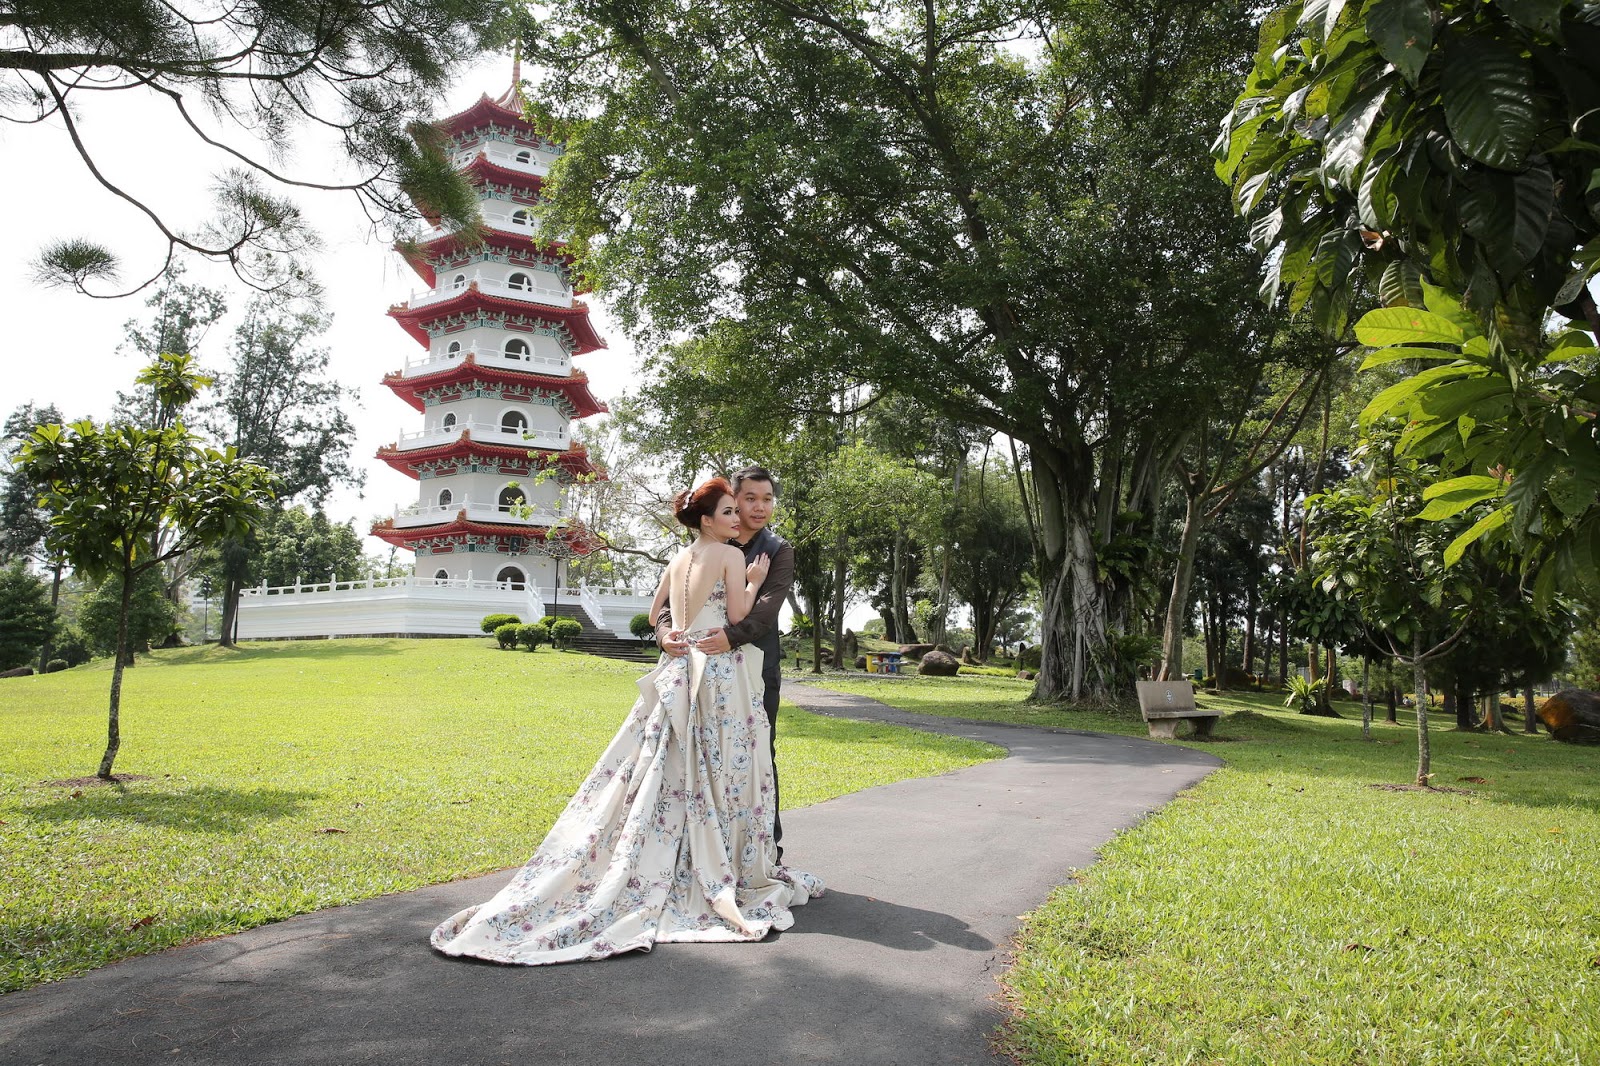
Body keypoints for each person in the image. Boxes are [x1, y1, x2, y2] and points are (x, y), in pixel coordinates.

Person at [430, 477, 821, 966]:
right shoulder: (732, 555)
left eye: (759, 504)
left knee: (670, 765)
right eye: (734, 509)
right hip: (717, 673)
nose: (744, 516)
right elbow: (740, 612)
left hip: (679, 671)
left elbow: (658, 610)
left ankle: (677, 852)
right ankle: (710, 863)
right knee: (716, 769)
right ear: (714, 515)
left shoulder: (682, 557)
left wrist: (671, 637)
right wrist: (750, 585)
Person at [656, 466, 794, 857]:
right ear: (730, 501)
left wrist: (729, 637)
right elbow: (666, 605)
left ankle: (762, 852)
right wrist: (664, 635)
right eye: (749, 499)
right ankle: (685, 852)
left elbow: (766, 611)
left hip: (752, 669)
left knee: (755, 754)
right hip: (692, 668)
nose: (758, 507)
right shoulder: (703, 544)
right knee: (686, 754)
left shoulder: (777, 550)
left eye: (767, 499)